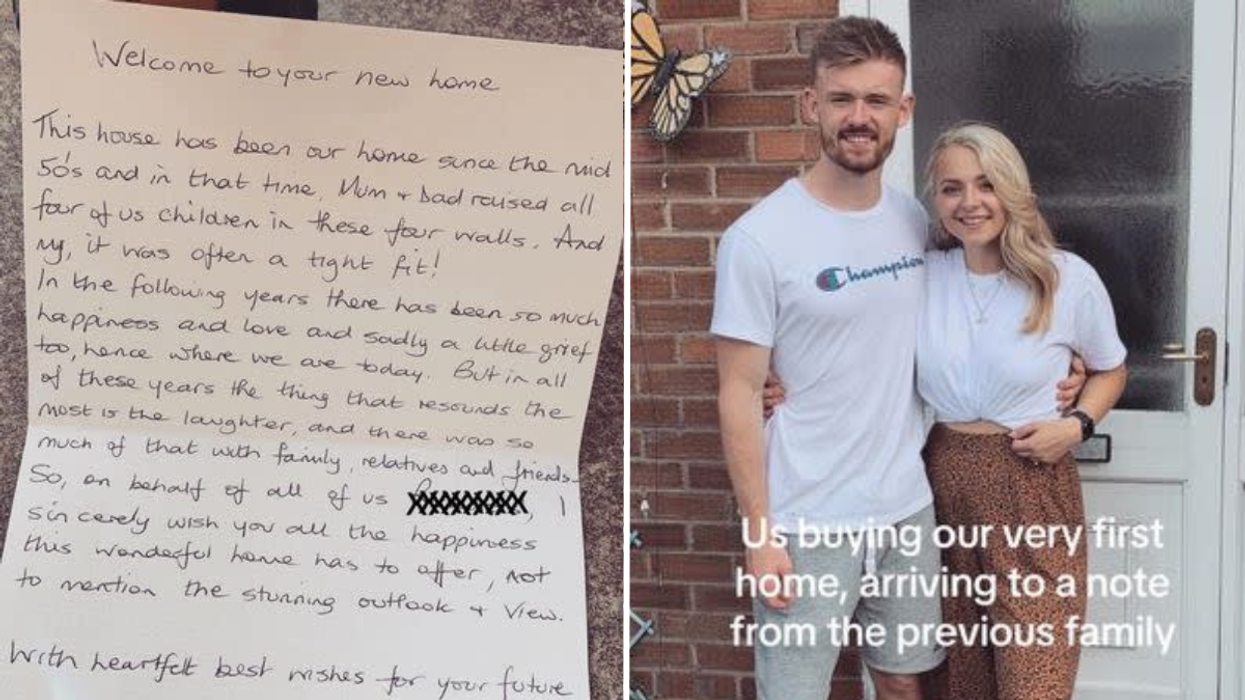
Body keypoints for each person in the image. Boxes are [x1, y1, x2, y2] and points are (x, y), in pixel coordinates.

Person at [712, 17, 942, 700]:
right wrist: (760, 535)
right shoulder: (757, 239)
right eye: (841, 99)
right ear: (811, 106)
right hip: (805, 519)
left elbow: (975, 318)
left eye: (875, 101)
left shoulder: (916, 223)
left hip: (904, 506)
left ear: (903, 111)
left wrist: (1068, 374)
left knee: (902, 684)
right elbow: (736, 391)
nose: (857, 118)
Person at [917, 123, 1127, 699]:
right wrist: (781, 382)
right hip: (940, 487)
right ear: (935, 200)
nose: (970, 202)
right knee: (961, 679)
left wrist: (1076, 424)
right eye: (952, 188)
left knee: (1035, 678)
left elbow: (1111, 368)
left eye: (986, 184)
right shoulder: (921, 277)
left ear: (1012, 189)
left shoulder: (1066, 278)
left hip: (1032, 485)